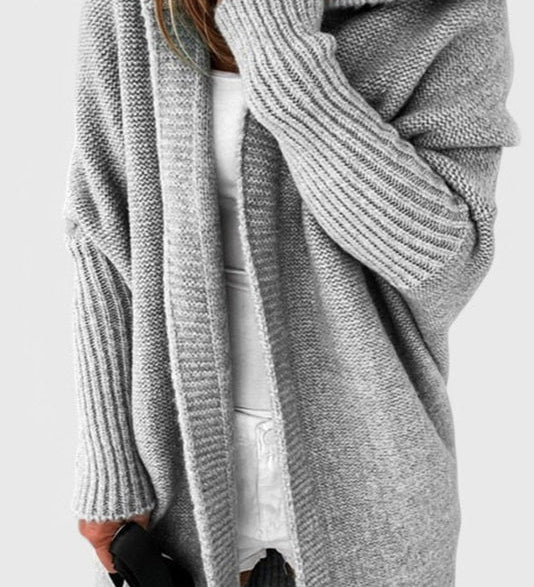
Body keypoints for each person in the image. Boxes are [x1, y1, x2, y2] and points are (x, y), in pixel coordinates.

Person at [63, 0, 520, 586]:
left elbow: (445, 266)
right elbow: (101, 228)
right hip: (176, 475)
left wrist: (278, 42)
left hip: (375, 484)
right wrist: (109, 466)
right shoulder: (139, 8)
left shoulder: (454, 12)